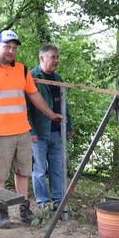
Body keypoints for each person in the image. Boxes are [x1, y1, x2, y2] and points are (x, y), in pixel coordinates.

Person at [0, 30, 62, 229]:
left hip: (22, 133)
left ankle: (23, 208)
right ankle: (1, 211)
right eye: (7, 46)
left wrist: (50, 114)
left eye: (14, 47)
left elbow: (35, 95)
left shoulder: (22, 69)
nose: (11, 50)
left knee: (23, 173)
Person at [27, 45, 73, 210]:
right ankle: (43, 203)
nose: (56, 60)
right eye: (53, 57)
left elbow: (63, 106)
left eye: (57, 57)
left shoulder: (58, 78)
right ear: (42, 58)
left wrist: (68, 126)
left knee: (57, 169)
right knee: (39, 169)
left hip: (57, 132)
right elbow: (26, 107)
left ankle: (58, 201)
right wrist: (30, 130)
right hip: (39, 133)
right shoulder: (32, 77)